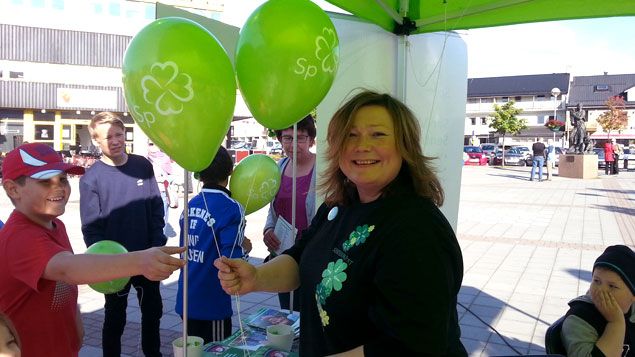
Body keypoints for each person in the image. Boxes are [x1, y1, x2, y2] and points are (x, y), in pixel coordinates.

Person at [215, 90, 467, 356]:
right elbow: (301, 258)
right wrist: (256, 277)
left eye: (378, 134)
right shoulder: (339, 205)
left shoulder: (417, 229)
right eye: (350, 135)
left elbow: (411, 345)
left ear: (405, 146)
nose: (361, 145)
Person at [0, 143, 184, 357]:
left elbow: (63, 286)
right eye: (44, 182)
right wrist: (142, 261)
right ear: (13, 189)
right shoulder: (20, 237)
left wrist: (76, 323)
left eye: (62, 179)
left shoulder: (55, 225)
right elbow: (68, 269)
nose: (58, 188)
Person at [79, 112, 169, 357]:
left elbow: (155, 208)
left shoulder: (142, 165)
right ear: (96, 140)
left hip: (147, 255)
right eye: (108, 137)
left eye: (119, 134)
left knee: (152, 313)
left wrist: (157, 244)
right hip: (114, 264)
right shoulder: (91, 179)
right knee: (114, 317)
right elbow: (91, 227)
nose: (115, 141)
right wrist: (105, 260)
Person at [175, 146, 252, 344]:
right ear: (230, 172)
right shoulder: (231, 207)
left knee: (192, 349)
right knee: (216, 350)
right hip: (212, 302)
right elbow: (232, 260)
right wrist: (246, 249)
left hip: (186, 297)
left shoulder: (189, 205)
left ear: (200, 175)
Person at [262, 114, 317, 312]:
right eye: (288, 138)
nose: (294, 144)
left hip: (311, 255)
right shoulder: (279, 167)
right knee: (287, 313)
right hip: (283, 253)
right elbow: (273, 207)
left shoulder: (322, 170)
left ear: (311, 140)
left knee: (309, 313)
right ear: (280, 140)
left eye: (300, 137)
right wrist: (268, 229)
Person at [561, 245, 634, 357]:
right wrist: (615, 323)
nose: (601, 290)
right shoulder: (579, 319)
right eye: (596, 281)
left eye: (612, 286)